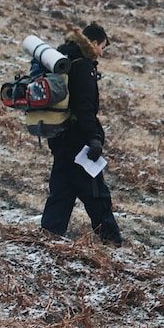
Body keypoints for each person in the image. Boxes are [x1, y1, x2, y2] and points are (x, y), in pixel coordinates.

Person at [39, 23, 123, 245]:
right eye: (102, 46)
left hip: (59, 136)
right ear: (93, 42)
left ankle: (49, 236)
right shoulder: (84, 66)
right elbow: (84, 107)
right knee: (96, 194)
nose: (102, 52)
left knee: (62, 190)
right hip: (79, 141)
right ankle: (112, 242)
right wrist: (93, 138)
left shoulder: (63, 59)